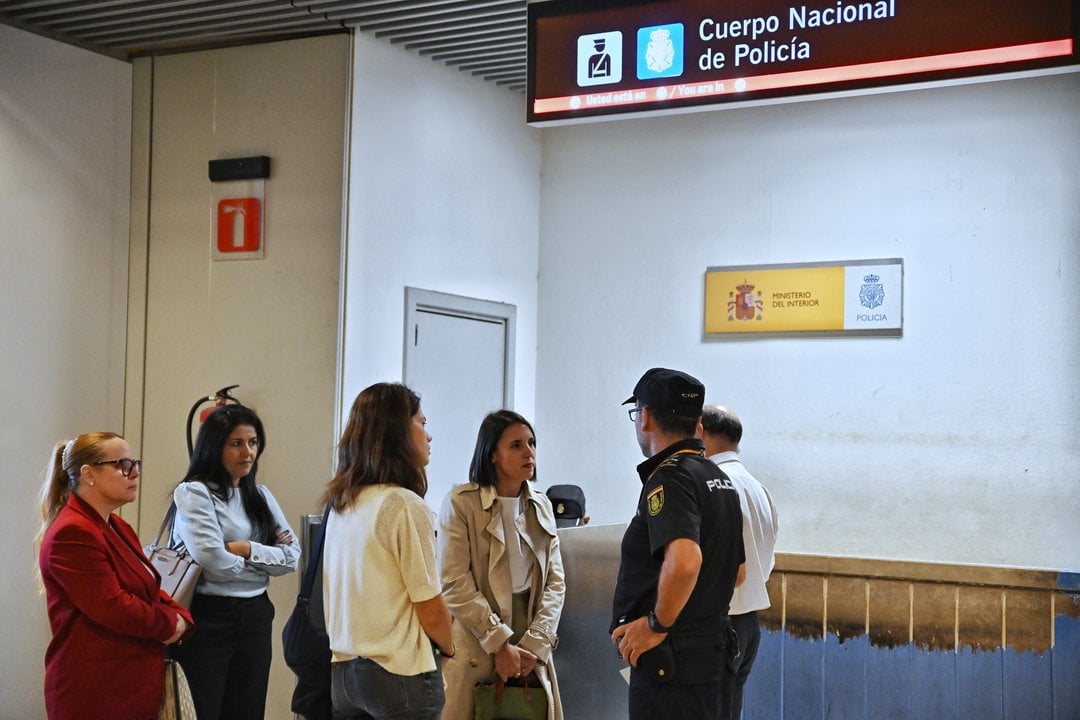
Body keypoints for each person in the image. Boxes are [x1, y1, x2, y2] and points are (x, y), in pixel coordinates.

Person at [610, 368, 746, 720]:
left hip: (673, 665)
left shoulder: (670, 478)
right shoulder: (718, 478)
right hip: (709, 654)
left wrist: (655, 626)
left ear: (646, 417)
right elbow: (737, 572)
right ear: (697, 424)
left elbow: (686, 562)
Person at [36, 432, 193, 720]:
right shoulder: (73, 533)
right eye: (122, 465)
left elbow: (146, 587)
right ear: (88, 474)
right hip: (97, 689)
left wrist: (180, 614)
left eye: (135, 464)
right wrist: (170, 622)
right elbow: (113, 606)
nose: (134, 473)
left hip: (127, 683)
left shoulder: (115, 524)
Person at [321, 382, 455, 720]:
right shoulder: (403, 504)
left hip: (345, 674)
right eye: (422, 423)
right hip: (399, 674)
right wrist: (450, 650)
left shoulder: (343, 505)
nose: (429, 436)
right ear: (397, 430)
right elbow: (429, 606)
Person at [170, 405, 299, 720]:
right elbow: (214, 561)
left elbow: (292, 558)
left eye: (253, 442)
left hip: (255, 614)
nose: (248, 452)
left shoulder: (261, 496)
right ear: (215, 447)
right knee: (202, 710)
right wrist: (264, 559)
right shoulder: (194, 493)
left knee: (248, 709)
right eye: (236, 443)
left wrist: (243, 548)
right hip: (209, 616)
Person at [439, 410, 566, 720]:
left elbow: (555, 582)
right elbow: (454, 582)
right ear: (492, 454)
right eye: (516, 445)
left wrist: (535, 644)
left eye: (532, 443)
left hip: (531, 633)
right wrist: (499, 644)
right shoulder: (461, 502)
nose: (529, 452)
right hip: (477, 631)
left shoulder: (541, 503)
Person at [700, 405, 779, 720]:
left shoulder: (713, 484)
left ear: (700, 431)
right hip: (748, 625)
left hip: (717, 623)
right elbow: (767, 560)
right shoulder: (758, 488)